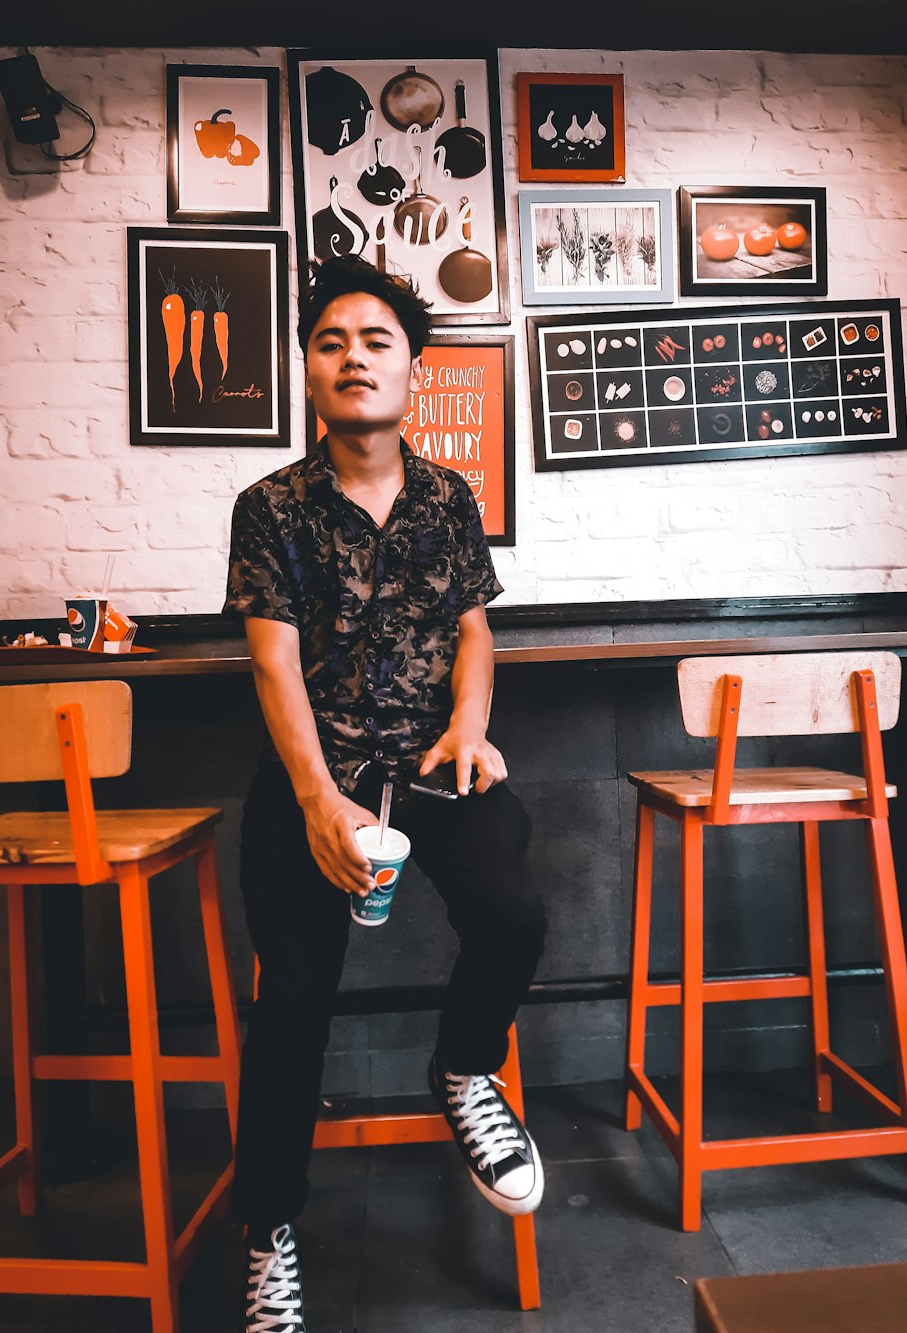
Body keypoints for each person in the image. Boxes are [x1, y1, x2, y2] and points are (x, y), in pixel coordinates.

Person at [223, 255, 547, 1333]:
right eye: (330, 341)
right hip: (316, 776)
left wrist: (470, 723)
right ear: (308, 372)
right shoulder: (269, 505)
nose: (353, 355)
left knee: (514, 910)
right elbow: (271, 664)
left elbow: (474, 632)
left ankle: (462, 1069)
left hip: (431, 764)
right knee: (291, 1010)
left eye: (375, 340)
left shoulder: (450, 495)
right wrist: (318, 804)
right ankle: (267, 1236)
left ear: (413, 365)